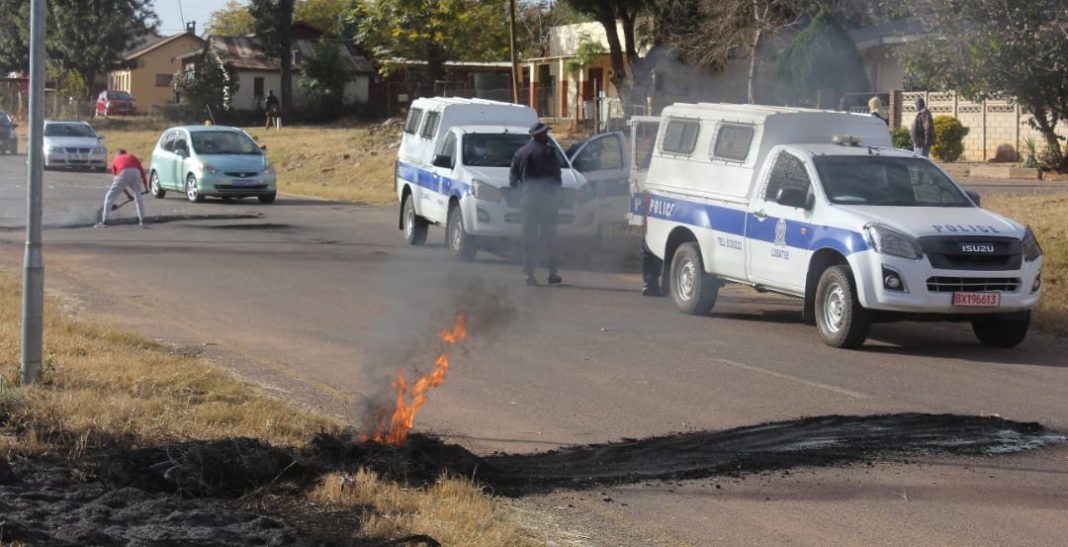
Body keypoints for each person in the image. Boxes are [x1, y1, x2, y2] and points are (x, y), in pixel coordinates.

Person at [509, 121, 563, 286]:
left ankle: (529, 275)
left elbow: (513, 181)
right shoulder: (548, 152)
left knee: (529, 239)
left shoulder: (520, 153)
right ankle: (552, 274)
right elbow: (556, 179)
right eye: (545, 133)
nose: (547, 136)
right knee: (550, 239)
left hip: (527, 203)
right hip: (546, 204)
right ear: (538, 134)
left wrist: (522, 196)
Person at [98, 148, 146, 227]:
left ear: (118, 154)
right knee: (138, 196)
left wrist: (128, 195)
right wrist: (146, 187)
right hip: (136, 172)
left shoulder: (115, 160)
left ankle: (104, 221)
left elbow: (119, 180)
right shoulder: (132, 157)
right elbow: (142, 171)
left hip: (123, 172)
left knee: (110, 196)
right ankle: (142, 221)